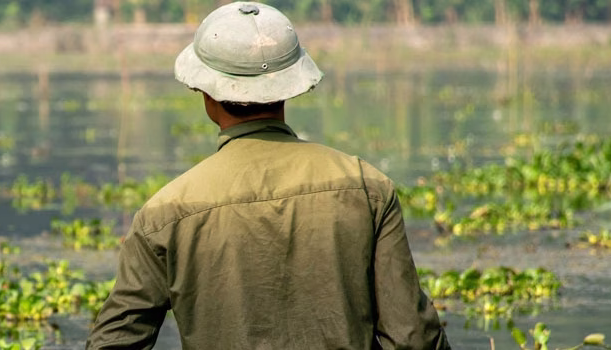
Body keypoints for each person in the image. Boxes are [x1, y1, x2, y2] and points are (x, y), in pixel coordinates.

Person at [85, 2, 450, 349]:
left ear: (205, 92)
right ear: (290, 86)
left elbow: (113, 342)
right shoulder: (367, 186)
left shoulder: (164, 213)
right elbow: (412, 339)